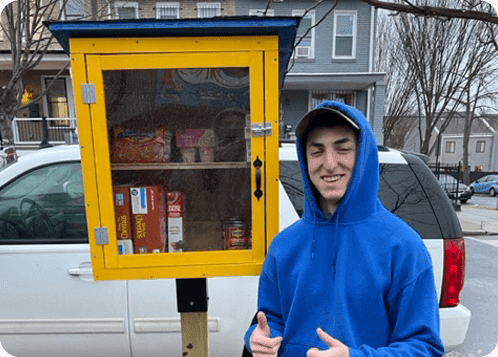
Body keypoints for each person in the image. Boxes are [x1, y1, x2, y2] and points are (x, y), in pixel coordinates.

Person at [244, 100, 445, 357]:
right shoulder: (284, 246)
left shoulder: (403, 246)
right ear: (304, 160)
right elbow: (270, 319)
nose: (329, 164)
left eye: (343, 149)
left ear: (363, 155)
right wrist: (258, 337)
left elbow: (424, 347)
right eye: (317, 151)